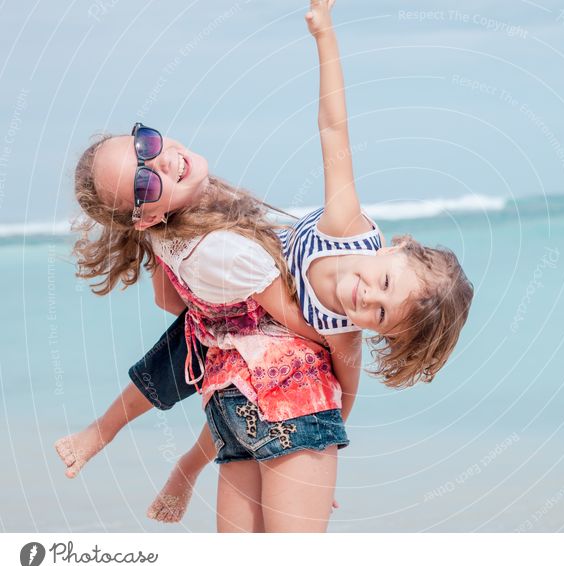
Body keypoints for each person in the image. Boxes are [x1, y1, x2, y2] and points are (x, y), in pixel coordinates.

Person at [56, 0, 473, 528]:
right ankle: (166, 453)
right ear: (391, 244)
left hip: (248, 360)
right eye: (385, 281)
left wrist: (326, 446)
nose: (368, 297)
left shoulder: (343, 331)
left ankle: (183, 462)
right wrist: (325, 37)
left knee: (216, 342)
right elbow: (334, 132)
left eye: (382, 314)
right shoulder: (345, 232)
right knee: (201, 338)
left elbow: (345, 392)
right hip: (242, 333)